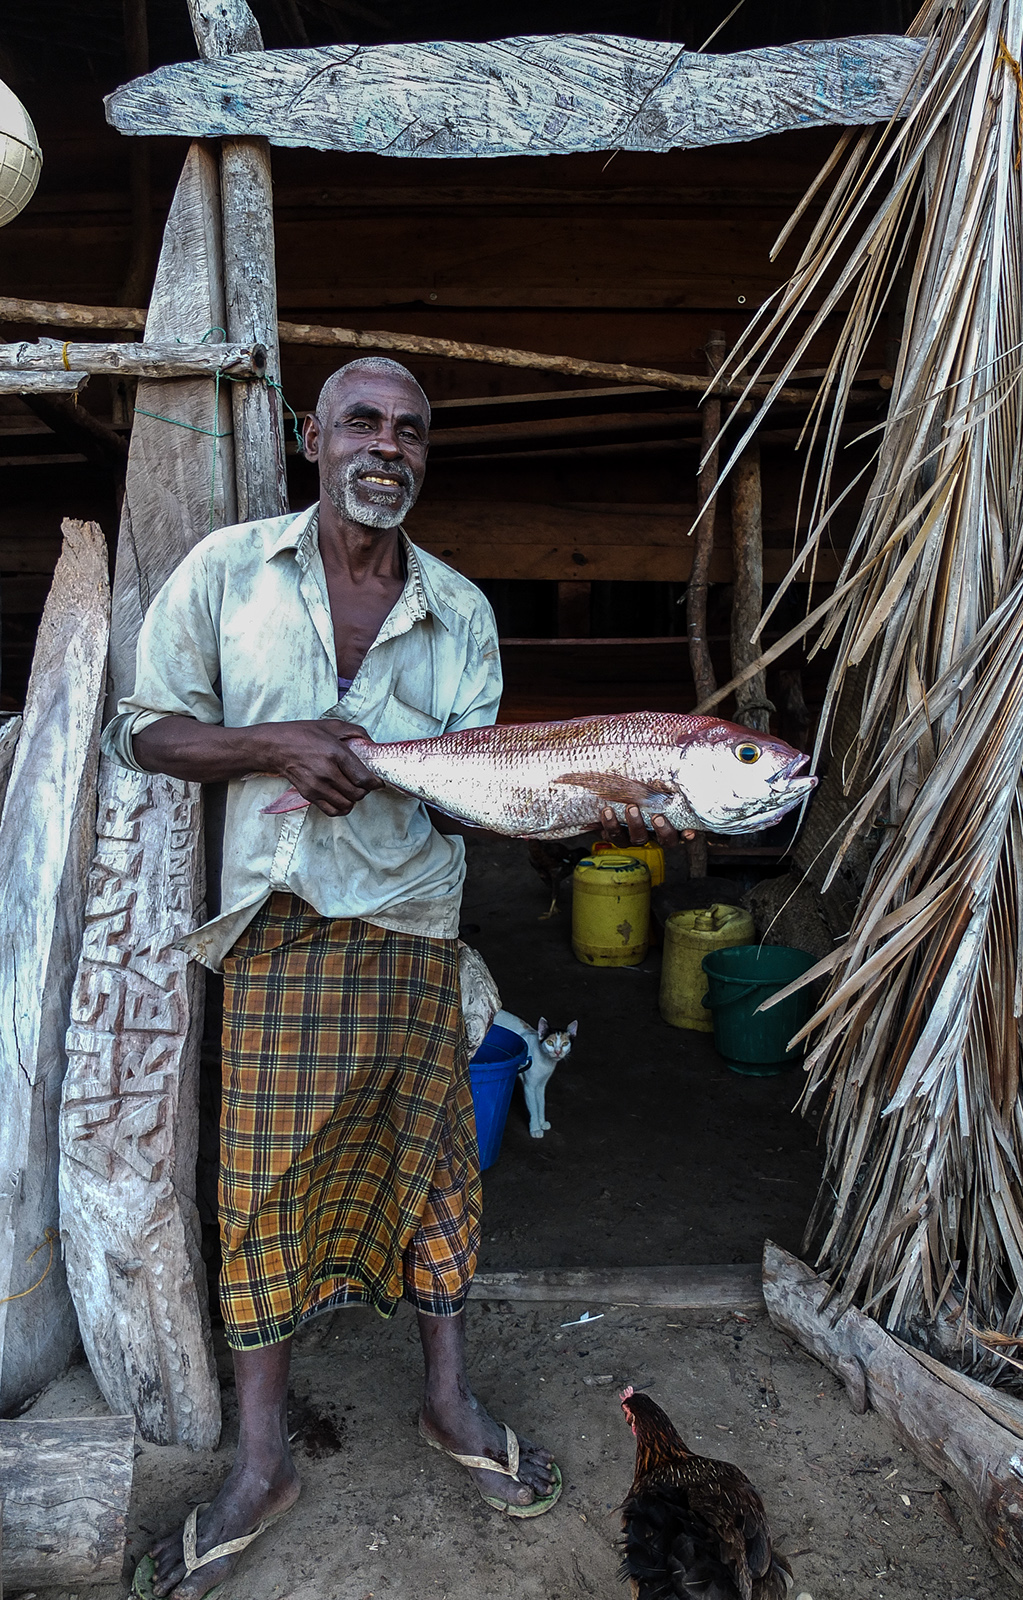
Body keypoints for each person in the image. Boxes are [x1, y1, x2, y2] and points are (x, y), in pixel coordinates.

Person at [105, 357, 680, 1600]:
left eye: (412, 431)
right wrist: (276, 743)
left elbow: (474, 797)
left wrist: (585, 803)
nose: (388, 445)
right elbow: (142, 730)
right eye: (362, 421)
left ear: (426, 455)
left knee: (434, 1170)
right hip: (276, 925)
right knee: (263, 1184)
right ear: (314, 437)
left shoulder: (460, 611)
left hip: (415, 925)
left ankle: (449, 1402)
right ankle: (262, 1461)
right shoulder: (229, 572)